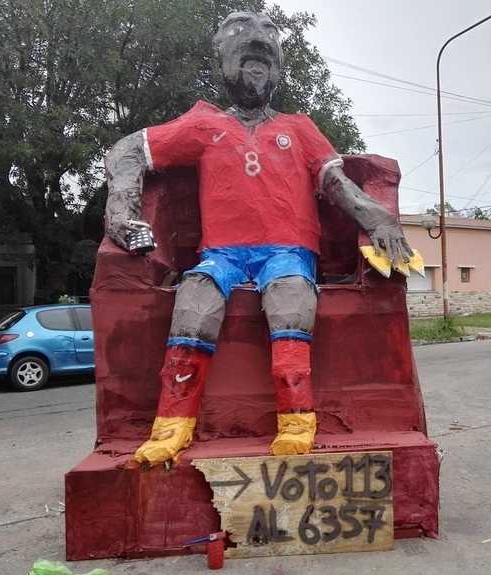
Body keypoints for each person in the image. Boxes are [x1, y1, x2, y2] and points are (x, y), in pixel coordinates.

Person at [104, 10, 416, 467]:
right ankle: (172, 425)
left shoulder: (299, 128)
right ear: (222, 61)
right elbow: (127, 150)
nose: (256, 42)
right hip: (222, 255)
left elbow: (337, 185)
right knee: (194, 300)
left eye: (268, 38)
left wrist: (379, 218)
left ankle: (297, 421)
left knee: (291, 299)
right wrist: (121, 213)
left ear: (279, 67)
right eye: (240, 37)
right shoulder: (204, 126)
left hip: (288, 253)